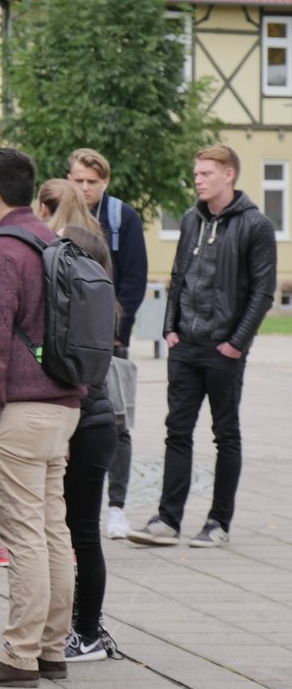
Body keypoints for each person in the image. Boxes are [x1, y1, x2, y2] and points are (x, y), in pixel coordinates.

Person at [0, 148, 85, 688]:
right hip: (62, 405)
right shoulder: (51, 240)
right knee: (53, 532)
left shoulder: (2, 249)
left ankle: (19, 655)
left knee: (24, 536)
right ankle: (52, 650)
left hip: (19, 412)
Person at [128, 145, 276, 549]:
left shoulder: (255, 225)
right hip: (186, 348)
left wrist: (236, 344)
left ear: (229, 175)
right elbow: (179, 276)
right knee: (177, 431)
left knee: (225, 435)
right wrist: (170, 328)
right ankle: (167, 519)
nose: (198, 179)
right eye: (197, 173)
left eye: (207, 172)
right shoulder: (192, 219)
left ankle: (217, 522)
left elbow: (263, 292)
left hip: (224, 350)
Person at [66, 148, 148, 541]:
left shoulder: (121, 219)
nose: (85, 188)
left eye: (92, 182)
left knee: (117, 420)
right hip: (69, 341)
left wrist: (117, 328)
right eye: (78, 180)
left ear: (105, 182)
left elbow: (134, 279)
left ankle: (116, 507)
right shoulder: (62, 216)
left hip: (110, 340)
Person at [56, 226, 119, 664]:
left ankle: (87, 633)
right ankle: (82, 626)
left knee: (82, 532)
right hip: (94, 423)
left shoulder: (86, 303)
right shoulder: (99, 302)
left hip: (90, 424)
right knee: (78, 531)